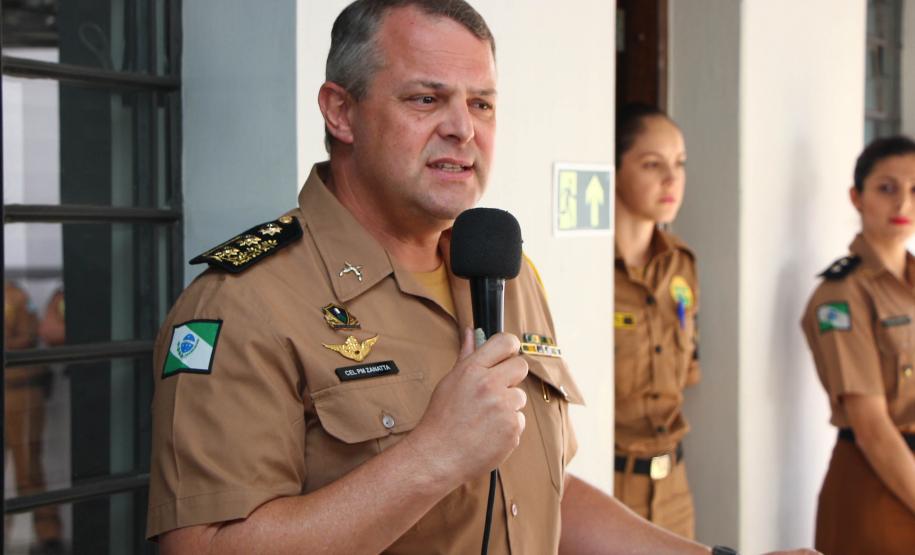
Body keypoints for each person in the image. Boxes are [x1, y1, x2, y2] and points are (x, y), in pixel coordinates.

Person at [148, 1, 816, 553]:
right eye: (425, 98)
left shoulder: (502, 269)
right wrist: (432, 455)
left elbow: (542, 492)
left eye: (483, 104)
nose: (463, 129)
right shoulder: (245, 301)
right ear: (340, 112)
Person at [801, 135, 915, 554]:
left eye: (914, 190)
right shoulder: (841, 295)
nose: (902, 204)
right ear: (857, 197)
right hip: (877, 489)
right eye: (887, 189)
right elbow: (871, 428)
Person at [612, 103, 698, 537]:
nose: (672, 180)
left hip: (673, 490)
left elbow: (688, 371)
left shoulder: (680, 266)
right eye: (652, 164)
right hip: (607, 487)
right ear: (615, 168)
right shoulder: (591, 271)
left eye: (679, 165)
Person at [4, 281, 64, 555]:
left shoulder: (14, 295)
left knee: (28, 466)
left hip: (18, 390)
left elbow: (29, 336)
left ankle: (48, 535)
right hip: (14, 387)